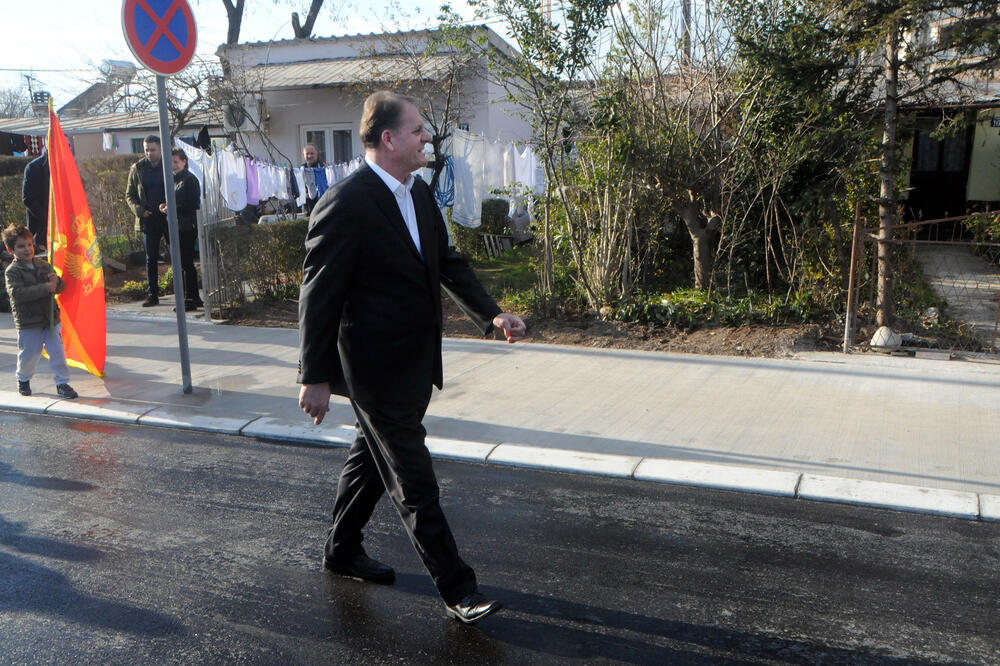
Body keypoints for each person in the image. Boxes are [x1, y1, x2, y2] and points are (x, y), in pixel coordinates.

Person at [298, 91, 526, 625]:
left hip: (415, 364)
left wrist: (491, 314)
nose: (428, 137)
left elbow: (447, 262)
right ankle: (458, 589)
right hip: (373, 369)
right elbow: (318, 293)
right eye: (419, 129)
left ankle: (341, 549)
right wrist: (314, 376)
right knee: (413, 478)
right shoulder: (346, 201)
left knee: (370, 463)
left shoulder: (418, 194)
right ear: (389, 139)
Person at [3, 224, 77, 400]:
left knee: (57, 352)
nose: (27, 249)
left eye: (29, 244)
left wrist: (57, 282)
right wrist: (45, 287)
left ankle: (62, 383)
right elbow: (17, 294)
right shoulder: (12, 271)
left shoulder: (43, 265)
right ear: (10, 249)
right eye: (21, 246)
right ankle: (23, 378)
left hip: (50, 319)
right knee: (30, 354)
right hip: (29, 322)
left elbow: (60, 287)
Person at [125, 135, 168, 307]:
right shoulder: (138, 168)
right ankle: (153, 294)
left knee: (177, 256)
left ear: (160, 149)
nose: (149, 153)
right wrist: (141, 211)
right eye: (146, 150)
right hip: (149, 219)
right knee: (151, 259)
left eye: (153, 150)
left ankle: (185, 292)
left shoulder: (168, 165)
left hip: (168, 217)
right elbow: (129, 195)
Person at [159, 148, 203, 312]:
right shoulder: (174, 179)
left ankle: (189, 299)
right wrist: (164, 206)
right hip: (176, 225)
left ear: (184, 161)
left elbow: (193, 205)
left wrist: (172, 208)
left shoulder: (189, 180)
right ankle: (194, 297)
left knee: (185, 264)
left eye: (176, 162)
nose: (173, 165)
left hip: (186, 226)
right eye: (170, 162)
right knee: (184, 263)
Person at [21, 152, 49, 250]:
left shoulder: (67, 165)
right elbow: (28, 199)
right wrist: (47, 219)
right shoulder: (35, 167)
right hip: (43, 230)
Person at [301, 143, 322, 215]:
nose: (309, 156)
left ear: (316, 153)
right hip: (308, 208)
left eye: (312, 153)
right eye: (307, 154)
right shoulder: (301, 170)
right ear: (303, 155)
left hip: (322, 206)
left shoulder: (324, 168)